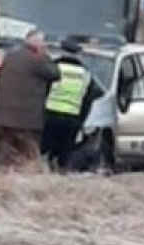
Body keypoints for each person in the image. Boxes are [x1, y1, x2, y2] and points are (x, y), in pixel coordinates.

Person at [0, 30, 60, 170]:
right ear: (37, 45)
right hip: (25, 118)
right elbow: (55, 73)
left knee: (6, 147)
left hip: (2, 115)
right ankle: (28, 175)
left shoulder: (10, 56)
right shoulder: (38, 60)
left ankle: (1, 172)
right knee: (30, 151)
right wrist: (45, 55)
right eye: (43, 43)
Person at [40, 38, 103, 172]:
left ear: (62, 51)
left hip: (50, 116)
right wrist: (82, 120)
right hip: (72, 119)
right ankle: (60, 174)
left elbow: (43, 90)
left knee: (45, 150)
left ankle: (45, 173)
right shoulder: (85, 73)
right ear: (77, 54)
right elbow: (90, 97)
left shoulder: (53, 67)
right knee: (65, 152)